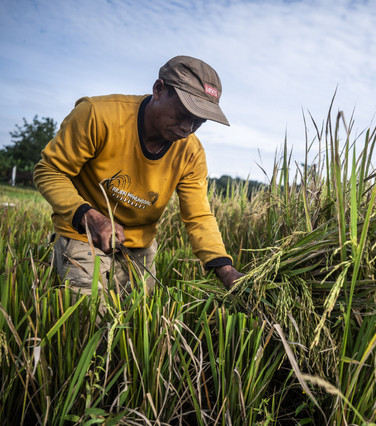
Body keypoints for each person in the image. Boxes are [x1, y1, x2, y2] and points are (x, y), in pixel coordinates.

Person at [33, 55, 244, 298]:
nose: (188, 128)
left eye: (199, 121)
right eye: (184, 113)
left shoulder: (190, 153)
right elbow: (49, 170)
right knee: (91, 318)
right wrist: (89, 216)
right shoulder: (98, 116)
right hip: (84, 235)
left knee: (139, 324)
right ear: (158, 89)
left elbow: (198, 215)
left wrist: (225, 269)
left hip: (139, 247)